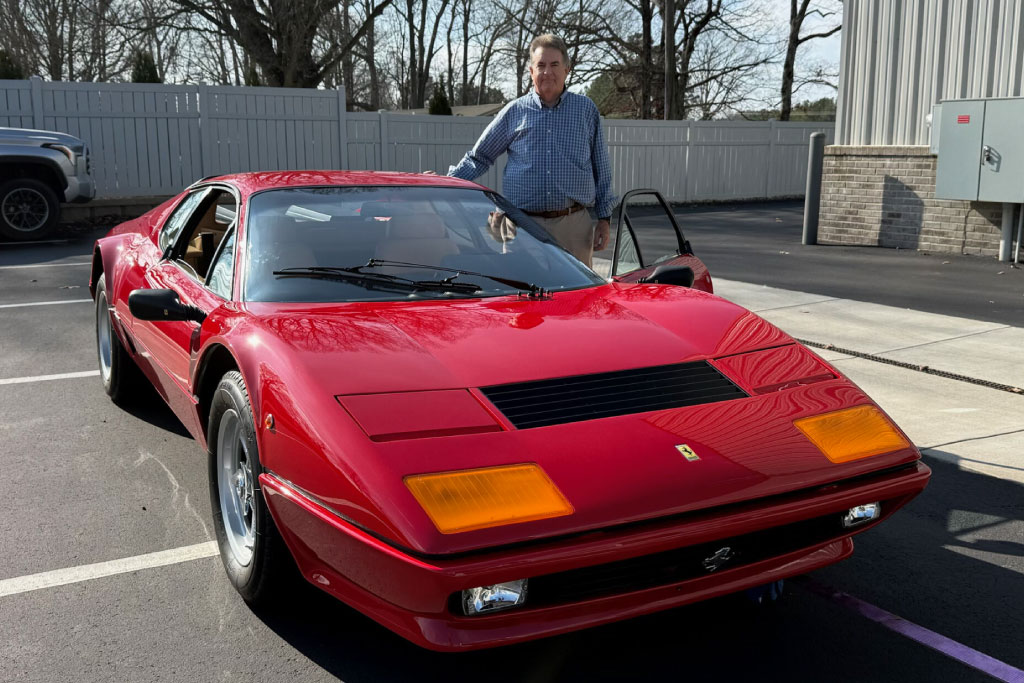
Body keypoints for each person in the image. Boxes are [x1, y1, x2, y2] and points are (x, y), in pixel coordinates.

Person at [446, 34, 615, 268]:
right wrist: (445, 182)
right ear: (531, 71)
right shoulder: (513, 111)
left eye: (554, 65)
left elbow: (601, 168)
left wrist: (605, 219)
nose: (547, 72)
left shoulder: (586, 111)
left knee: (576, 299)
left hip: (573, 226)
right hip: (521, 226)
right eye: (541, 65)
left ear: (567, 69)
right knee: (523, 298)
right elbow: (479, 157)